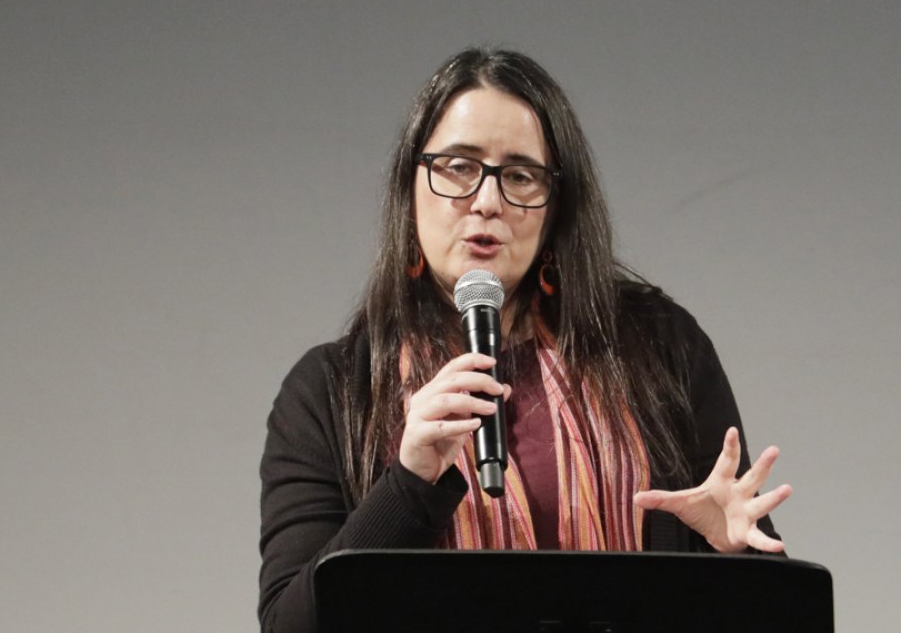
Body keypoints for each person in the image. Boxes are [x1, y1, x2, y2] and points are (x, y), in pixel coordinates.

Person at [258, 47, 793, 632]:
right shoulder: (331, 391)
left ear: (555, 204)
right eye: (458, 167)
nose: (487, 201)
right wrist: (408, 485)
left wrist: (731, 556)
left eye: (519, 176)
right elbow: (290, 627)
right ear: (410, 184)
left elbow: (777, 614)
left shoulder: (658, 349)